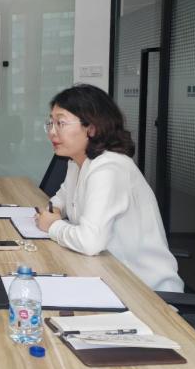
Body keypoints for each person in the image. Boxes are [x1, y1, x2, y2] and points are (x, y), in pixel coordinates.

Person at [35, 84, 184, 293]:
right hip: (107, 275)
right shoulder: (77, 163)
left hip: (145, 292)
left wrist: (52, 225)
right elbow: (59, 201)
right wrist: (54, 212)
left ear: (92, 128)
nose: (52, 132)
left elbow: (90, 242)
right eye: (51, 123)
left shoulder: (109, 168)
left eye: (61, 123)